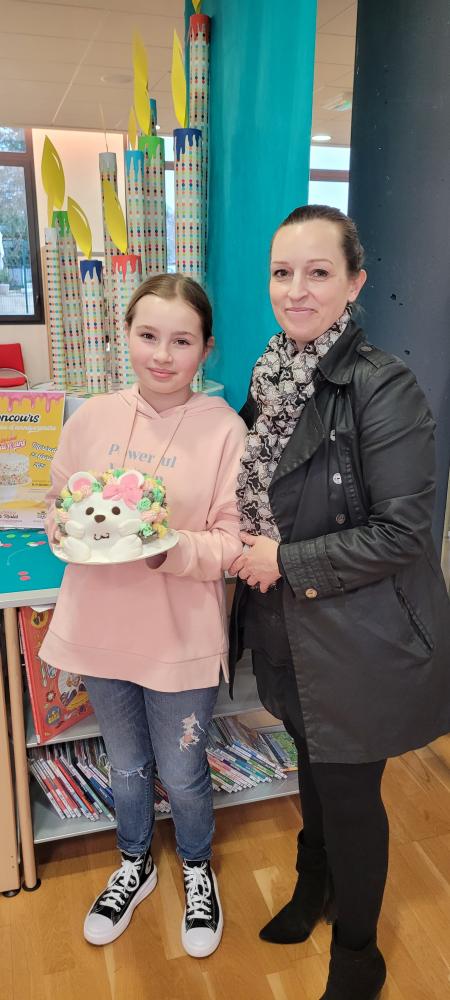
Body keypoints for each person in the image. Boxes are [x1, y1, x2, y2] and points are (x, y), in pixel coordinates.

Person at [229, 204, 450, 1000]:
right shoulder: (269, 375)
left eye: (318, 272)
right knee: (311, 765)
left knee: (351, 794)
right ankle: (313, 884)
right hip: (285, 621)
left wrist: (283, 559)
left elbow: (403, 533)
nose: (296, 289)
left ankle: (359, 951)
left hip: (357, 633)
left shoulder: (381, 386)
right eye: (282, 272)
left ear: (354, 283)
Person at [41, 273, 246, 958]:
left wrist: (168, 549)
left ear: (206, 349)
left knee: (183, 772)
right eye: (148, 335)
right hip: (101, 630)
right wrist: (59, 525)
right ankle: (134, 860)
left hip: (180, 638)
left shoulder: (225, 431)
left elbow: (232, 542)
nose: (162, 354)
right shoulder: (91, 417)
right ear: (125, 335)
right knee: (127, 765)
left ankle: (196, 865)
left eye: (182, 341)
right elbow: (59, 502)